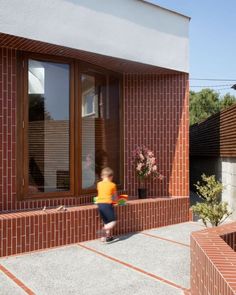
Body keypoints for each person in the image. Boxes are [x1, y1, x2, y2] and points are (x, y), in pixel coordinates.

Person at [97, 167, 117, 242]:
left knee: (106, 221)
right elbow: (115, 197)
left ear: (102, 176)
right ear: (111, 177)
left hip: (100, 204)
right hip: (107, 204)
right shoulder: (112, 185)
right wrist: (117, 202)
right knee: (113, 221)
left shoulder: (99, 184)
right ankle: (103, 231)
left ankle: (105, 237)